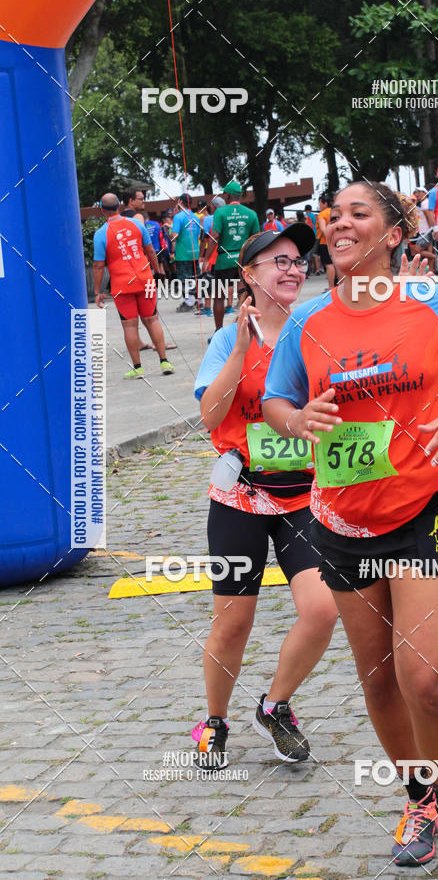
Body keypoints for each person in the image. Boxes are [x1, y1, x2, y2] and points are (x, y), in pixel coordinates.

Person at [262, 180, 438, 880]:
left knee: (424, 678)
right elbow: (277, 400)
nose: (338, 224)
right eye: (332, 216)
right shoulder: (307, 320)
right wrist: (295, 420)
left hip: (428, 509)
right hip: (341, 521)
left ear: (393, 234)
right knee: (378, 681)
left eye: (356, 214)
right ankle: (418, 798)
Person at [192, 222, 338, 768]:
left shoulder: (318, 331)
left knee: (322, 610)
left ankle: (275, 706)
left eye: (298, 260)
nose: (293, 268)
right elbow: (208, 415)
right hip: (241, 500)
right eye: (278, 261)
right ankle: (214, 721)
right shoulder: (226, 339)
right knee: (233, 621)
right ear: (248, 276)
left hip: (306, 499)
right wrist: (241, 352)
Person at [93, 193, 174, 378]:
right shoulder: (137, 224)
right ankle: (164, 361)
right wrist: (158, 272)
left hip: (122, 285)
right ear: (119, 206)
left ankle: (138, 368)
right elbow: (150, 250)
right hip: (144, 279)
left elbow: (98, 265)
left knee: (130, 326)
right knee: (152, 320)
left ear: (102, 210)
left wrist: (97, 291)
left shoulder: (101, 234)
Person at [202, 180, 260, 332]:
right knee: (244, 295)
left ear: (227, 195)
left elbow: (214, 236)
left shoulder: (221, 212)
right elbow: (256, 239)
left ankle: (218, 331)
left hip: (223, 261)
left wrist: (207, 259)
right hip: (243, 261)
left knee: (219, 296)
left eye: (223, 193)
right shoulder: (251, 214)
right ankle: (245, 329)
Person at [171, 193, 203, 312]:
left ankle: (188, 302)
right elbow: (199, 235)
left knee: (184, 278)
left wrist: (169, 231)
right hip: (195, 251)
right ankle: (199, 301)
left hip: (183, 253)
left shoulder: (178, 217)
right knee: (196, 277)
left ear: (180, 202)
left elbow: (174, 236)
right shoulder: (195, 217)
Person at [406, 187, 435, 269]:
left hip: (425, 231)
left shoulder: (423, 205)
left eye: (419, 192)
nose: (417, 194)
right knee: (428, 251)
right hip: (424, 231)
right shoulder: (423, 204)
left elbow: (428, 217)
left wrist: (431, 229)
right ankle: (431, 271)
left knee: (417, 250)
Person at [317, 193, 335, 289]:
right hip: (337, 241)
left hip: (325, 242)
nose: (319, 205)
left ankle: (331, 288)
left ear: (324, 203)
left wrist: (328, 241)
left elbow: (323, 229)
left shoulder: (322, 214)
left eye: (320, 203)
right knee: (336, 264)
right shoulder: (334, 212)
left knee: (329, 265)